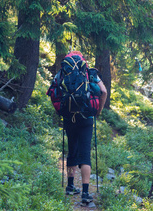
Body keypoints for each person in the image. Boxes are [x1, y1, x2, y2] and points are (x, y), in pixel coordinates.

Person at [63, 52, 107, 204]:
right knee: (85, 154)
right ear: (83, 62)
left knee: (72, 151)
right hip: (87, 118)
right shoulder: (91, 73)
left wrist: (61, 111)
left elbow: (53, 92)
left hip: (69, 118)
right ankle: (86, 193)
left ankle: (69, 186)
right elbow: (104, 92)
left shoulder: (63, 72)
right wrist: (98, 111)